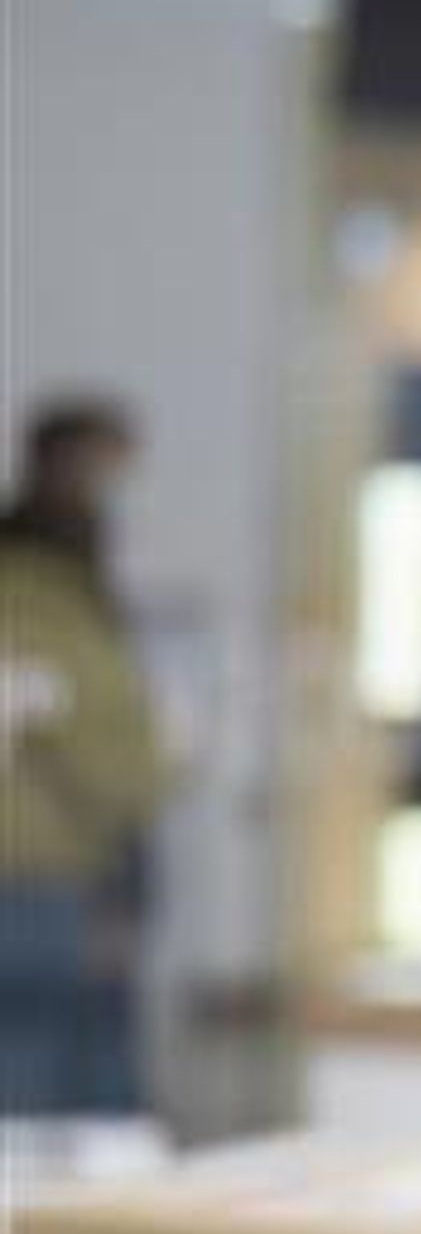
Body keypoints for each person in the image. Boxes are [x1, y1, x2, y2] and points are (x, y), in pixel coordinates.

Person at [0, 397, 163, 1116]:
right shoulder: (35, 594)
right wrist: (152, 767)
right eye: (106, 471)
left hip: (69, 873)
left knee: (81, 1092)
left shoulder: (70, 587)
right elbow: (89, 737)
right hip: (33, 882)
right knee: (46, 1106)